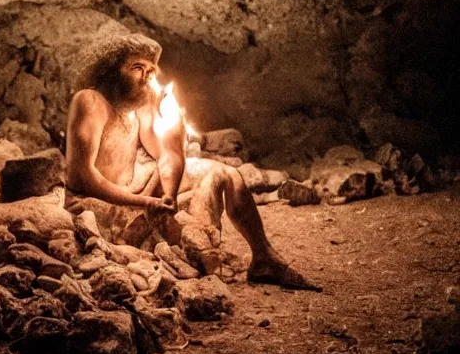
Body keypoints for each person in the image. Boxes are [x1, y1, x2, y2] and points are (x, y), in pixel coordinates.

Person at [64, 32, 319, 291]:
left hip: (136, 192)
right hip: (98, 207)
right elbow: (81, 177)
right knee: (186, 219)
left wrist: (170, 186)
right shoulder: (90, 101)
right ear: (111, 69)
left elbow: (165, 155)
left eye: (150, 71)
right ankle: (199, 255)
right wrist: (144, 201)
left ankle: (264, 257)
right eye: (137, 68)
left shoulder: (139, 106)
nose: (145, 78)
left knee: (226, 174)